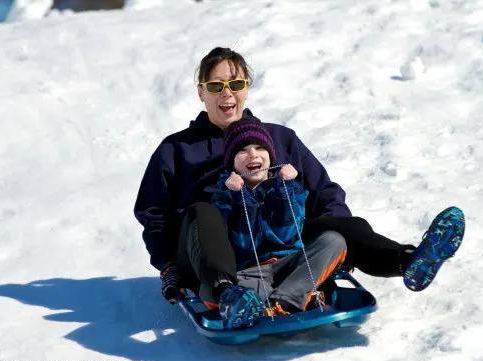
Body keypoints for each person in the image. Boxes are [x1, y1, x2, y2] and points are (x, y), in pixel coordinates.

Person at [133, 47, 465, 329]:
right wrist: (167, 265)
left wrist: (338, 247)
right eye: (216, 85)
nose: (226, 93)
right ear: (201, 91)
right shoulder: (176, 150)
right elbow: (154, 215)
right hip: (210, 257)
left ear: (247, 87)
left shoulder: (279, 139)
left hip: (280, 246)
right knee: (202, 211)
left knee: (338, 226)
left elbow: (324, 193)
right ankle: (228, 294)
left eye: (235, 83)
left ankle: (407, 261)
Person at [210, 117, 349, 329]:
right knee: (235, 290)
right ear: (232, 163)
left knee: (333, 240)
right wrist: (239, 198)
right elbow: (244, 244)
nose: (253, 154)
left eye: (259, 148)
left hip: (290, 263)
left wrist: (285, 190)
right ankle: (283, 300)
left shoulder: (289, 188)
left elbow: (287, 237)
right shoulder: (223, 198)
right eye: (242, 151)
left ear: (270, 155)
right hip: (250, 271)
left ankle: (284, 302)